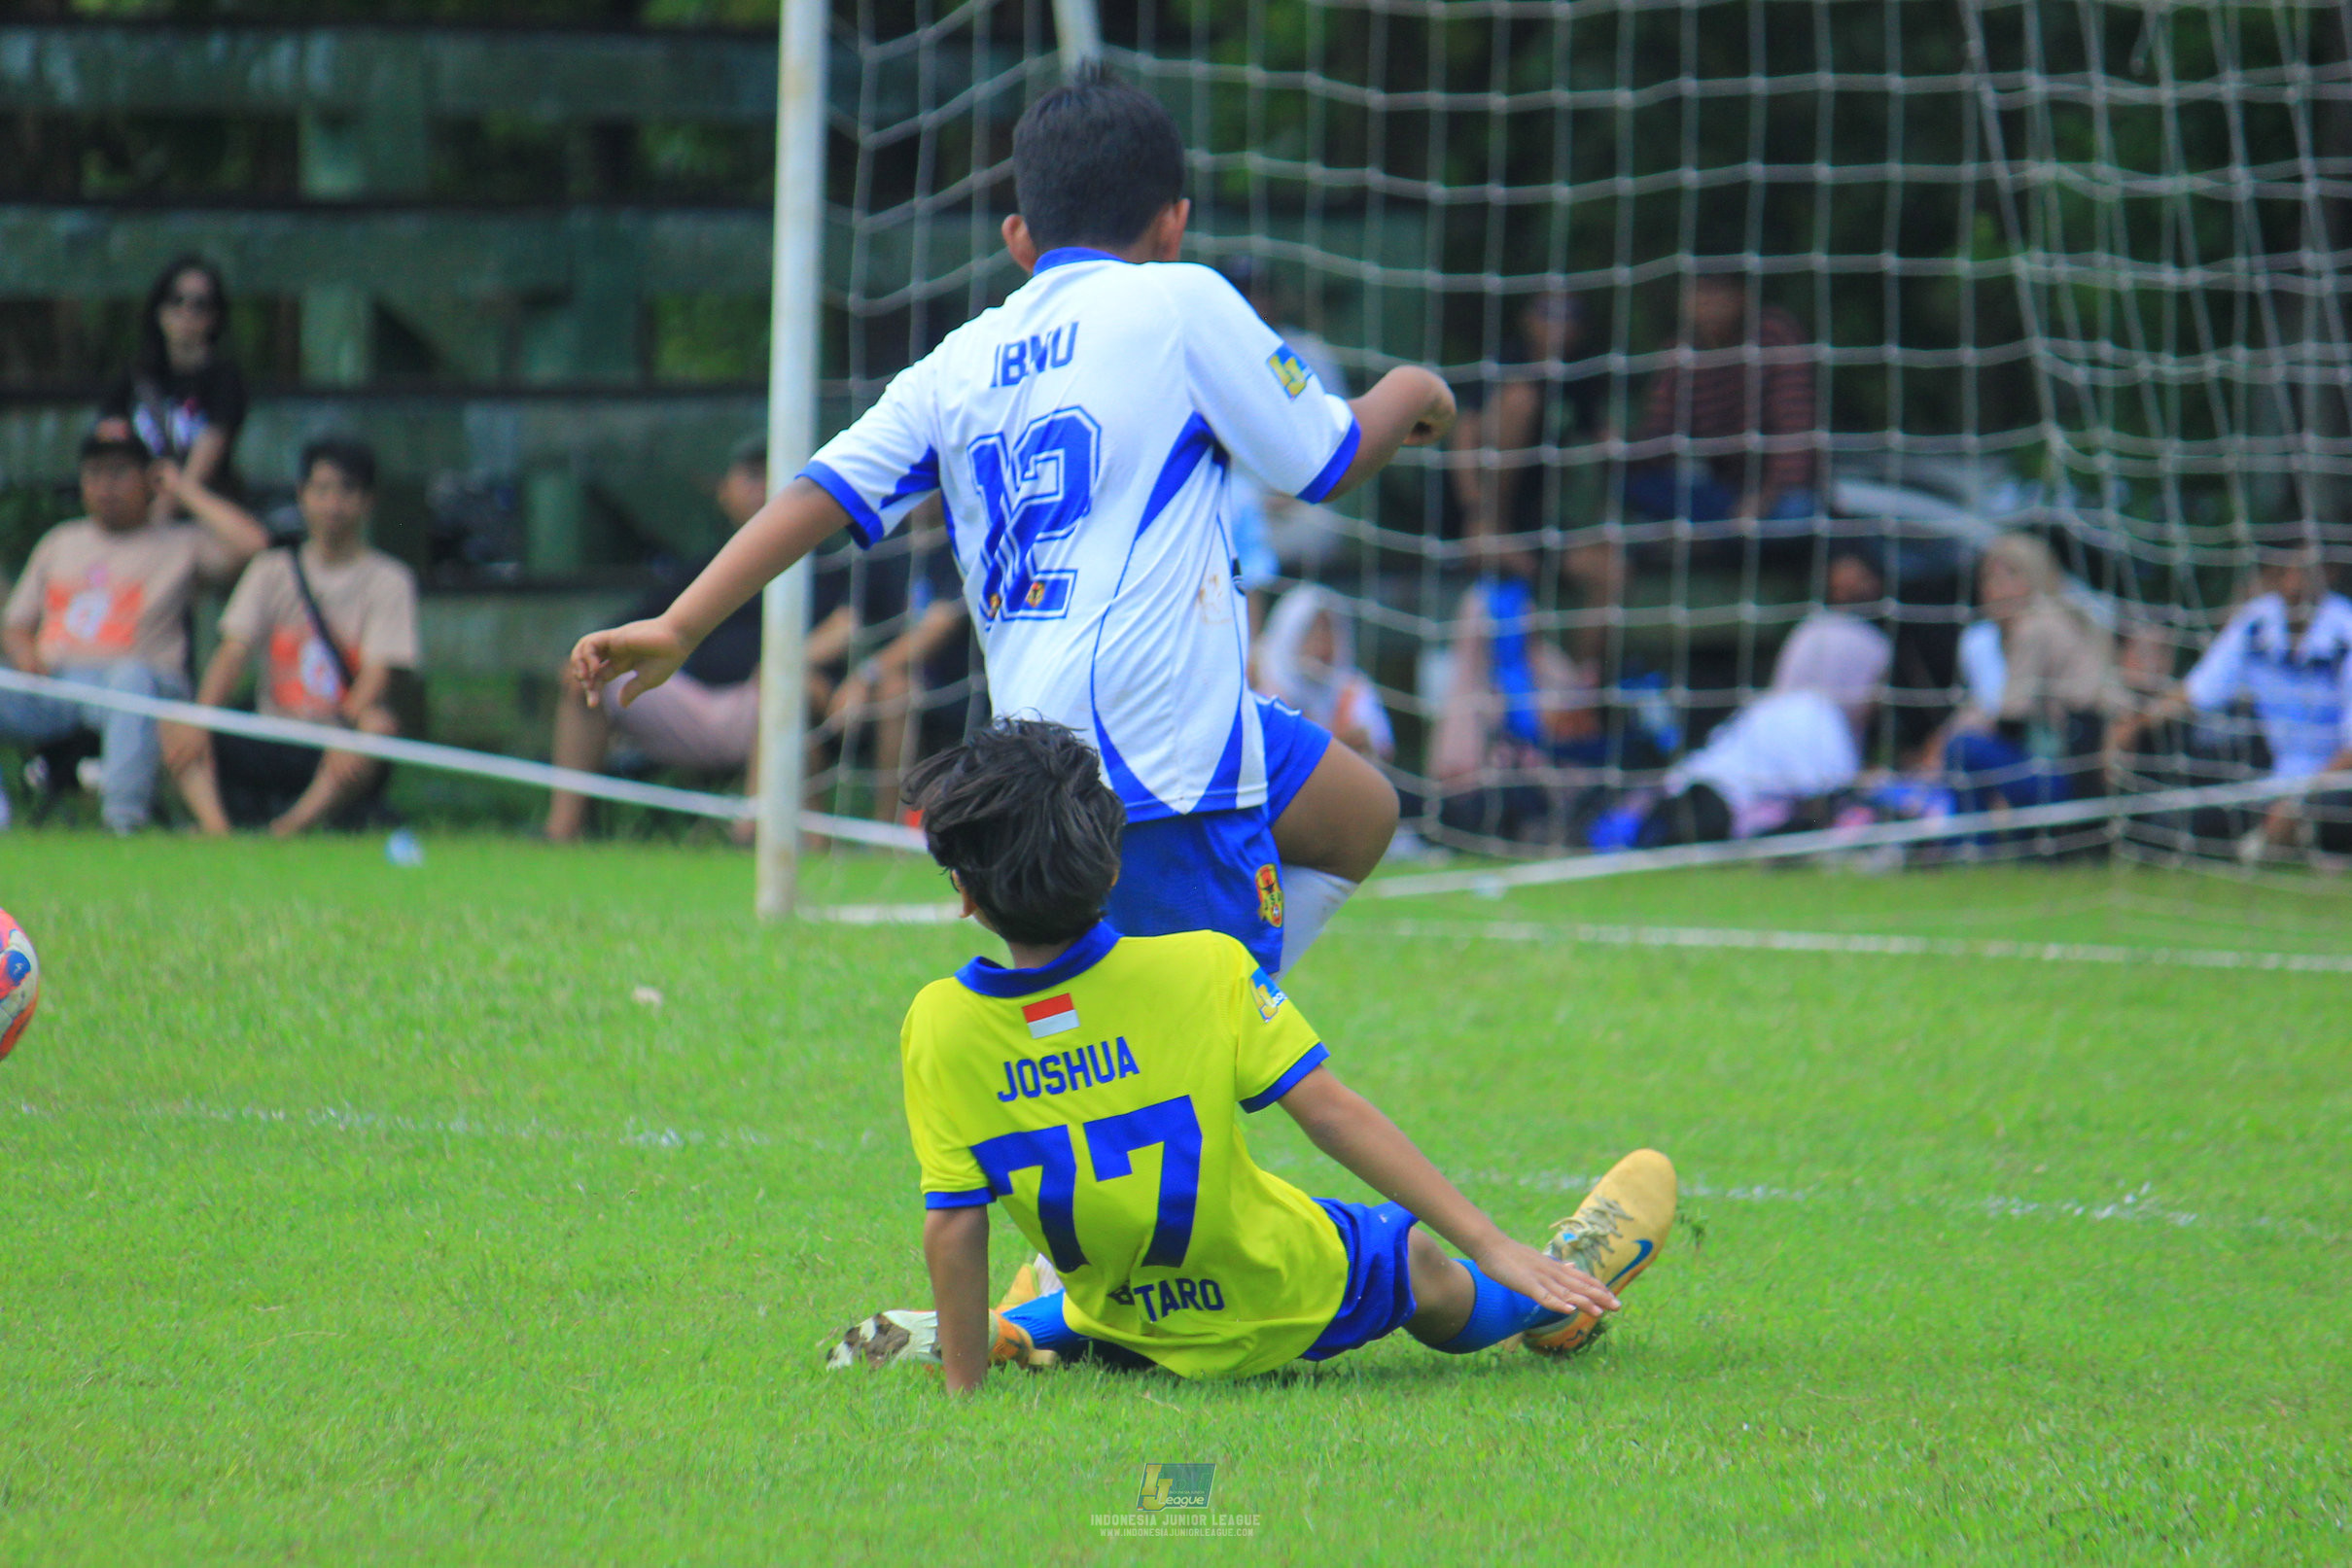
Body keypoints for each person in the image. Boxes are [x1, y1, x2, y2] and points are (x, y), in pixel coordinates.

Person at [569, 70, 1455, 977]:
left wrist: (679, 623)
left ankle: (1204, 1017)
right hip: (1153, 748)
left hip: (1040, 750)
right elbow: (1331, 459)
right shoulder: (1178, 301)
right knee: (1180, 1058)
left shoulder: (956, 362)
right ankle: (1201, 1032)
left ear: (1019, 239)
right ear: (1173, 221)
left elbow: (814, 494)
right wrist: (1414, 391)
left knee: (1357, 812)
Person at [822, 717, 1676, 1389]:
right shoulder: (1205, 964)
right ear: (1112, 860)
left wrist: (965, 1396)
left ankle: (1009, 1331)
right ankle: (1547, 1300)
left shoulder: (937, 1021)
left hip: (1129, 1321)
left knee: (1093, 1273)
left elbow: (952, 1222)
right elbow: (1332, 1113)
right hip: (1282, 1294)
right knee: (1418, 1265)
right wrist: (1490, 1240)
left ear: (965, 896)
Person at [544, 440, 963, 839]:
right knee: (584, 677)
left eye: (771, 474)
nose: (760, 487)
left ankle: (760, 831)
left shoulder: (833, 563)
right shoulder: (702, 568)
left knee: (788, 685)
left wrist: (796, 666)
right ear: (722, 490)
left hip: (776, 704)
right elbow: (641, 627)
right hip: (691, 701)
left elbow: (851, 626)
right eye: (749, 475)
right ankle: (560, 832)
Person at [0, 419, 265, 832]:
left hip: (144, 685)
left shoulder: (179, 542)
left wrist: (184, 490)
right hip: (55, 683)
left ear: (149, 479)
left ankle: (122, 823)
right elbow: (15, 624)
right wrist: (24, 652)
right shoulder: (60, 541)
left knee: (131, 680)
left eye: (119, 472)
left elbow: (253, 545)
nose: (106, 485)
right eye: (94, 473)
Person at [161, 437, 420, 837]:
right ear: (302, 496)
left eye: (347, 491)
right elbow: (234, 651)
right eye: (322, 490)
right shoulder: (271, 569)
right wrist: (202, 717)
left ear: (368, 501)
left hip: (335, 734)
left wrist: (345, 730)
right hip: (270, 727)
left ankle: (289, 829)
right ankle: (216, 830)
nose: (333, 504)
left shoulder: (390, 580)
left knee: (377, 726)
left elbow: (379, 673)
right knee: (175, 719)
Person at [2106, 540, 2352, 859]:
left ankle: (2303, 840)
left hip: (2335, 780)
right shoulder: (2257, 622)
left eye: (2303, 571)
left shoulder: (2345, 631)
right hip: (2274, 779)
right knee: (2171, 826)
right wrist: (2134, 725)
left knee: (2330, 813)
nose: (2293, 581)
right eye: (2284, 569)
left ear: (2329, 573)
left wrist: (2298, 803)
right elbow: (2198, 690)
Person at [1631, 605, 1891, 848]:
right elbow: (1833, 798)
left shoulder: (1778, 705)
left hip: (1682, 801)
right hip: (1707, 812)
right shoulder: (1814, 710)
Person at [1450, 289, 1618, 663]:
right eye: (1548, 312)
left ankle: (1577, 697)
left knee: (1611, 570)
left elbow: (1604, 446)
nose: (1558, 325)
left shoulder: (1581, 377)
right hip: (1480, 513)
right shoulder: (1506, 362)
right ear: (1528, 318)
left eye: (1569, 314)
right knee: (1520, 402)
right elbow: (1464, 436)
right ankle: (1491, 531)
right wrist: (1476, 513)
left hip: (1538, 523)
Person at [1920, 532, 2113, 814]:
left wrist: (1957, 734)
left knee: (1964, 748)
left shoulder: (2036, 626)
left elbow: (2011, 713)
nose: (1996, 588)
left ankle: (1973, 846)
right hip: (2068, 765)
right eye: (1988, 577)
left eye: (2011, 575)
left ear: (2036, 577)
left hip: (2071, 772)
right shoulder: (2003, 635)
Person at [1624, 271, 1820, 539]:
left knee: (1798, 512)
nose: (1707, 302)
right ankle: (1720, 539)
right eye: (1699, 292)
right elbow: (1662, 435)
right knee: (1640, 487)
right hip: (1724, 494)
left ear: (1742, 297)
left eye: (1717, 292)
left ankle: (1716, 542)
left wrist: (1763, 499)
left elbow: (1795, 430)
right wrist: (1622, 445)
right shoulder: (1681, 354)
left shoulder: (1774, 334)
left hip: (1781, 493)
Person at [1220, 257, 1352, 579]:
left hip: (1300, 505)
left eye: (1258, 292)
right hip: (1229, 507)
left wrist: (1289, 496)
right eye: (1241, 293)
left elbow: (1337, 436)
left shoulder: (1303, 352)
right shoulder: (1209, 352)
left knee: (1316, 530)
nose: (1253, 302)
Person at [101, 256, 248, 522]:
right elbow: (110, 443)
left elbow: (202, 465)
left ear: (214, 316)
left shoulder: (224, 379)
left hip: (198, 517)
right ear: (159, 309)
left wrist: (157, 520)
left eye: (199, 305)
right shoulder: (134, 375)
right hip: (135, 515)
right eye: (176, 300)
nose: (186, 312)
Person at [1251, 585, 1392, 761]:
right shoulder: (1262, 687)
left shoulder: (1352, 689)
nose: (1322, 643)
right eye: (1311, 632)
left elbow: (1382, 750)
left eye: (1328, 630)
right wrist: (1335, 745)